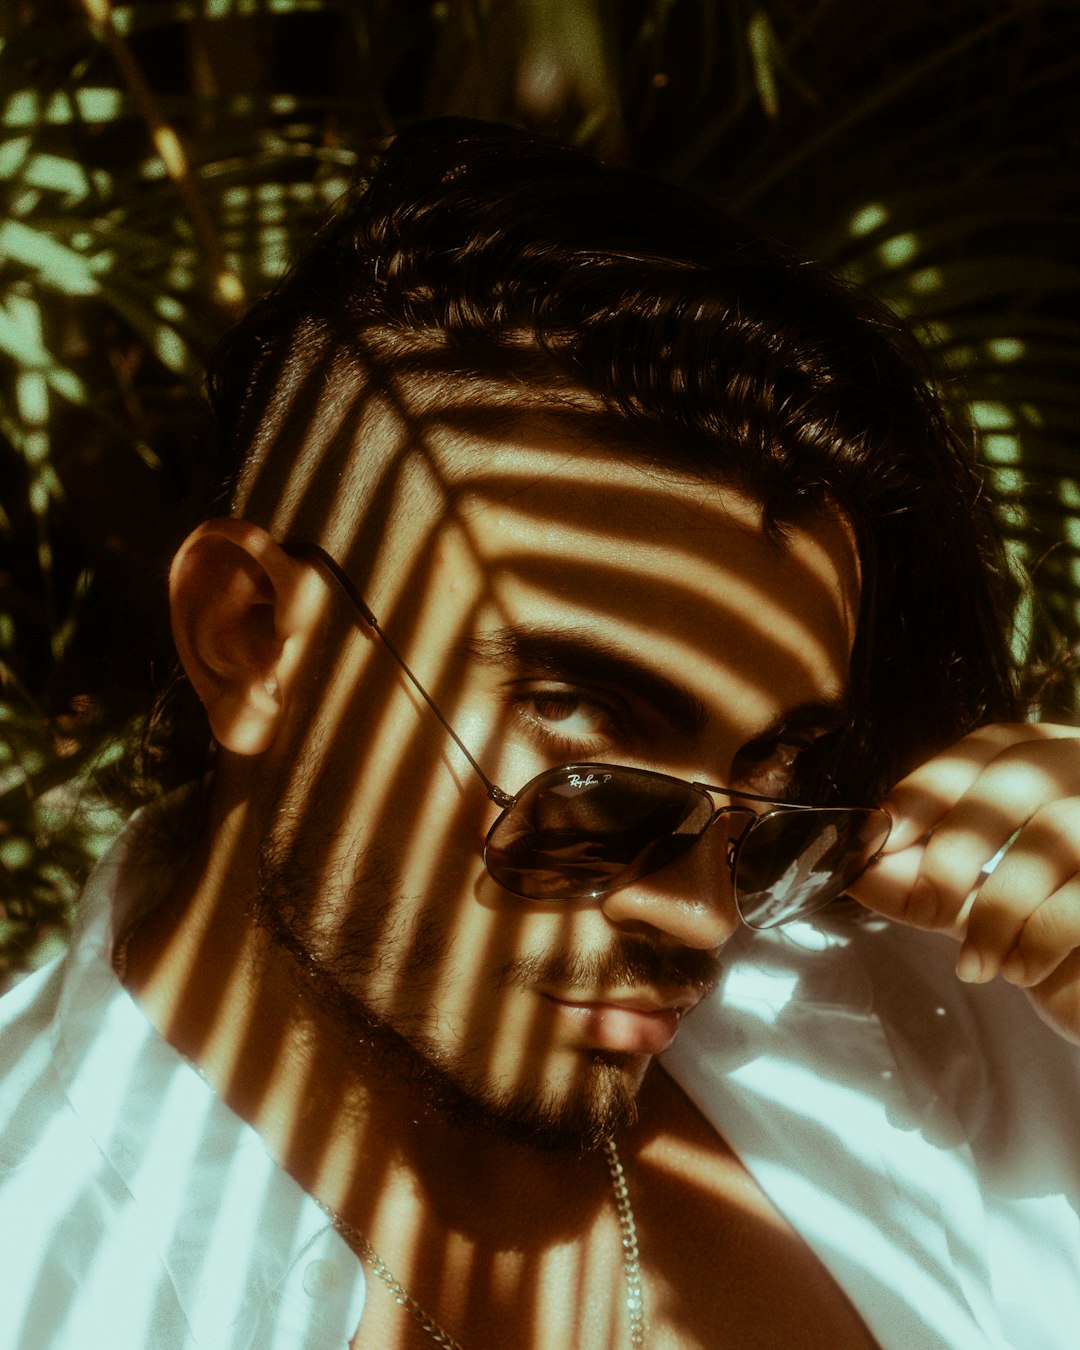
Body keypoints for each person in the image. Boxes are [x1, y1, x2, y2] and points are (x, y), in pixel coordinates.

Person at [2, 118, 1078, 1350]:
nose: (703, 916)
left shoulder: (930, 998)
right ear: (249, 638)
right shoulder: (47, 1273)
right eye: (588, 749)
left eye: (771, 777)